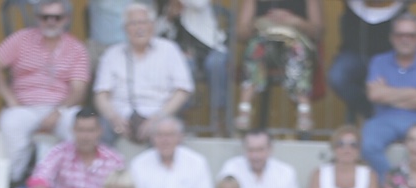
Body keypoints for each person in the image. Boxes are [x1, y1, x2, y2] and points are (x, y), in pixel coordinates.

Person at [0, 0, 91, 188]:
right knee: (11, 122)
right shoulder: (20, 39)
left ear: (66, 19)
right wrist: (10, 99)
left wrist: (59, 110)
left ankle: (72, 183)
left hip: (61, 108)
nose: (50, 22)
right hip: (24, 107)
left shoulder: (76, 48)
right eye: (45, 17)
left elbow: (79, 90)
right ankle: (16, 177)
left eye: (56, 17)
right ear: (37, 18)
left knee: (78, 125)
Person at [93, 3, 193, 144]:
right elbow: (101, 94)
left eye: (143, 22)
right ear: (125, 28)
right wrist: (113, 117)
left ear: (152, 26)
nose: (139, 28)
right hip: (120, 116)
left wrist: (159, 117)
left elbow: (183, 90)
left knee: (167, 132)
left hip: (159, 114)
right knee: (97, 130)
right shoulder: (112, 54)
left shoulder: (169, 50)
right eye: (133, 23)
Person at [361, 14, 416, 179]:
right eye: (400, 35)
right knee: (367, 144)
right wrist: (414, 92)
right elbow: (374, 94)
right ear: (392, 38)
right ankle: (394, 184)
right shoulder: (379, 61)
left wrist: (389, 93)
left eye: (411, 35)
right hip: (384, 120)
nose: (405, 40)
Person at [233, 0, 323, 139]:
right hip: (265, 46)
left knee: (296, 51)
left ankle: (304, 110)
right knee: (256, 48)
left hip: (296, 44)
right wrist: (259, 23)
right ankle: (245, 108)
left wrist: (296, 22)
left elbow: (318, 32)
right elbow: (240, 33)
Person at [156, 0, 230, 134]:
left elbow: (199, 4)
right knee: (183, 66)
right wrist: (169, 16)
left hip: (211, 46)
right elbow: (157, 32)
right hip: (182, 53)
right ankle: (184, 121)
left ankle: (219, 120)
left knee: (215, 65)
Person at [328, 0, 406, 125]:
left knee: (406, 73)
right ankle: (372, 112)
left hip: (390, 58)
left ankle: (396, 119)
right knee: (338, 76)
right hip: (354, 54)